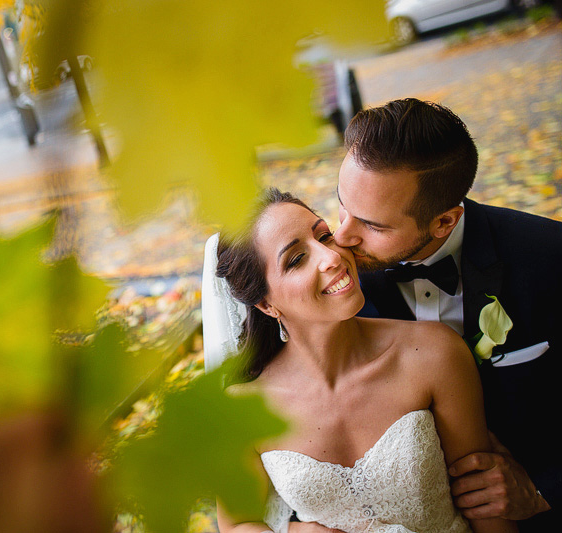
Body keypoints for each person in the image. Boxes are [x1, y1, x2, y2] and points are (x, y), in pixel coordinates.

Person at [203, 188, 516, 532]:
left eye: (324, 235)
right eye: (296, 259)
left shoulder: (433, 355)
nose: (332, 257)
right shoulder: (243, 408)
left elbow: (487, 506)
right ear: (265, 304)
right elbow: (237, 524)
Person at [332, 98, 561, 531]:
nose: (341, 236)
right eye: (341, 203)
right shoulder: (331, 282)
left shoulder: (550, 258)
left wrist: (542, 490)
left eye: (373, 226)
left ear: (443, 222)